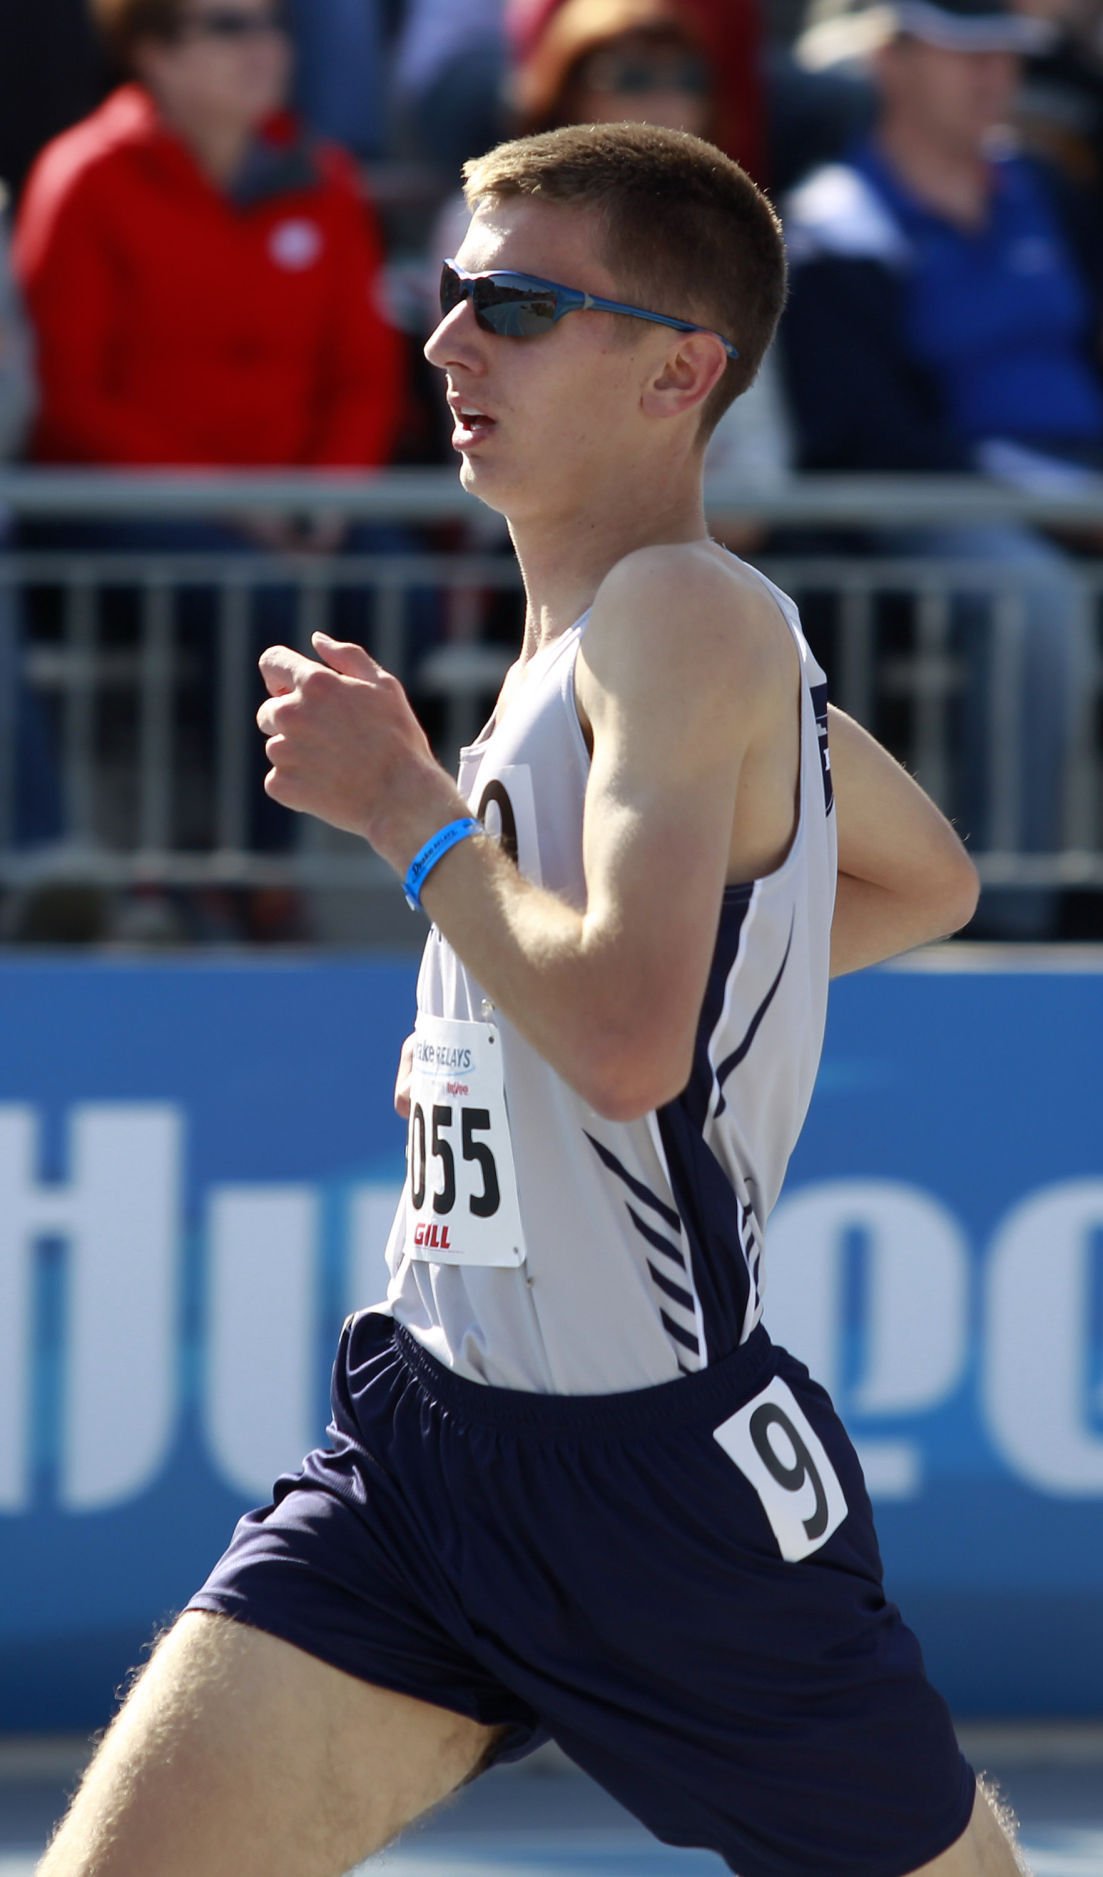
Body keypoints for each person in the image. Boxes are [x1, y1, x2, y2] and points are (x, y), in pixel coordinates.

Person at [38, 122, 1027, 1877]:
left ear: (678, 371)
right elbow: (920, 880)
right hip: (425, 1441)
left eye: (511, 302)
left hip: (652, 1482)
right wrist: (719, 968)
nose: (444, 343)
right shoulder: (587, 647)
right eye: (445, 295)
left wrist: (403, 810)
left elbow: (630, 1045)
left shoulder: (685, 611)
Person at [779, 0, 1103, 938]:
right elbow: (867, 433)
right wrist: (1049, 503)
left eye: (1004, 55)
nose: (993, 76)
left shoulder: (1050, 190)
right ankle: (1011, 913)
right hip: (935, 502)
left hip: (1072, 490)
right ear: (889, 60)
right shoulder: (831, 222)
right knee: (1029, 597)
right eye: (964, 53)